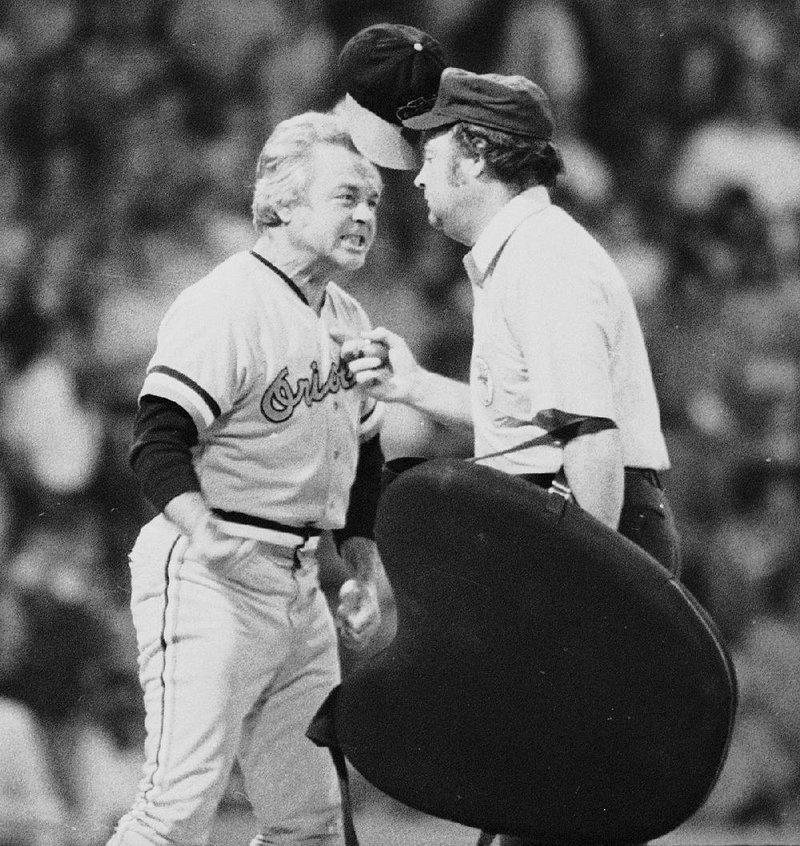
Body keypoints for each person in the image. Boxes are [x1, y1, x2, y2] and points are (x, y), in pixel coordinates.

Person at [108, 110, 387, 846]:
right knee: (176, 810)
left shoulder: (348, 314)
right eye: (346, 197)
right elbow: (157, 440)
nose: (364, 215)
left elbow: (365, 460)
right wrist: (202, 527)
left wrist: (358, 566)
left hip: (298, 586)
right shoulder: (225, 303)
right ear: (283, 202)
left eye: (372, 203)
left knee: (311, 821)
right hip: (210, 574)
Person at [345, 66, 680, 578]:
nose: (417, 176)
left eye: (432, 156)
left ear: (476, 158)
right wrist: (414, 386)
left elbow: (591, 440)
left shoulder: (543, 257)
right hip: (573, 511)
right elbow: (527, 419)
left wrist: (588, 587)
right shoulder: (523, 251)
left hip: (596, 521)